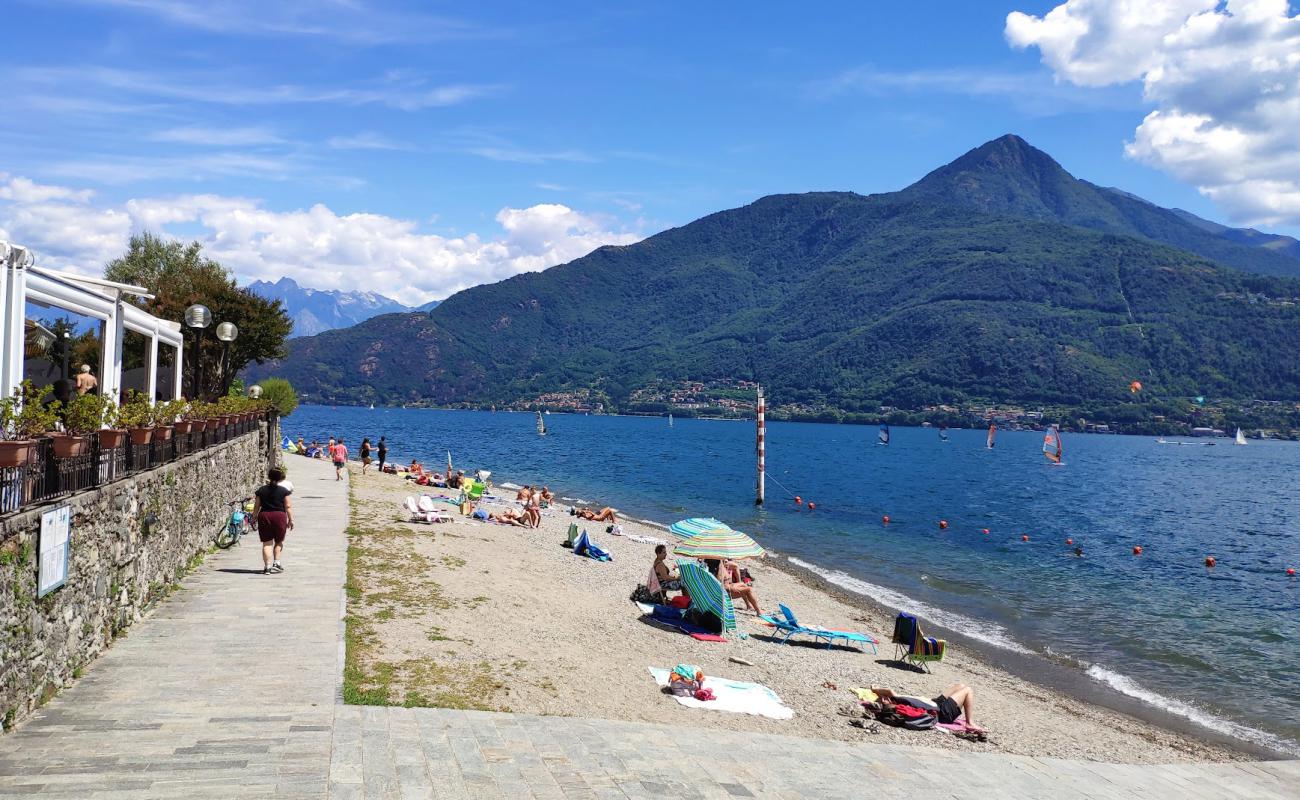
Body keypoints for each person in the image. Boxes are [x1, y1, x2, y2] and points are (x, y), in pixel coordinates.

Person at [872, 683, 979, 728]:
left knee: (960, 686)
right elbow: (889, 691)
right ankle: (970, 722)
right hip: (941, 713)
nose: (884, 698)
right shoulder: (899, 704)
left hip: (934, 704)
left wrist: (878, 693)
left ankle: (970, 722)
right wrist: (876, 690)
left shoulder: (897, 700)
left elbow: (888, 693)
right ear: (889, 705)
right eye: (883, 700)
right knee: (967, 690)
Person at [252, 467, 294, 575]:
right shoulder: (284, 491)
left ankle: (267, 567)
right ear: (280, 478)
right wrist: (291, 519)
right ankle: (277, 562)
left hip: (264, 516)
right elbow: (288, 506)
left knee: (267, 543)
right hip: (279, 516)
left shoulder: (261, 490)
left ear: (269, 477)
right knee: (279, 541)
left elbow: (256, 506)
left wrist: (254, 517)